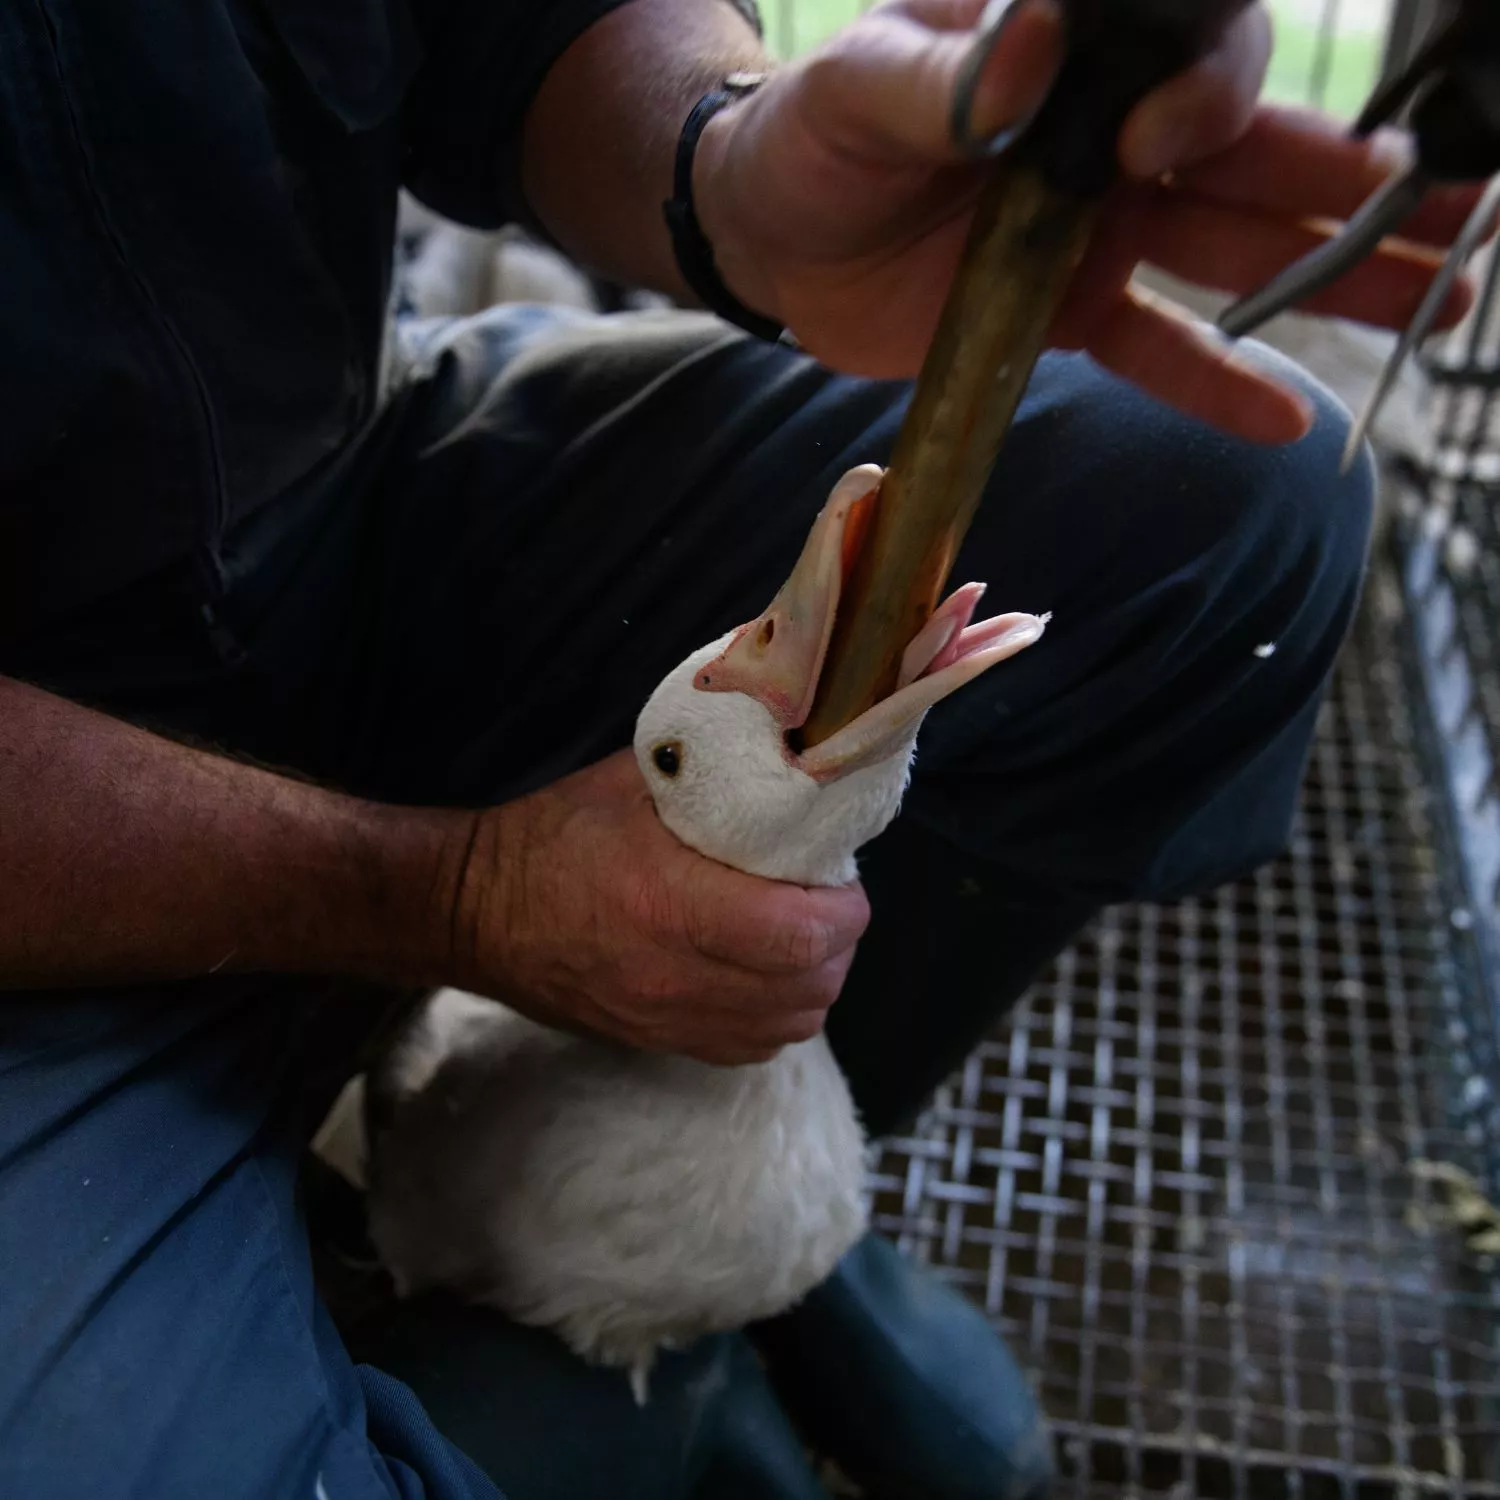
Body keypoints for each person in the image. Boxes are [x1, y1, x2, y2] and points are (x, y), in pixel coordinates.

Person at [0, 0, 1479, 1496]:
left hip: (326, 487)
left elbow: (499, 37)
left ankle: (750, 1235)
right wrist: (456, 897)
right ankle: (603, 1380)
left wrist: (729, 163)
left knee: (1234, 496)